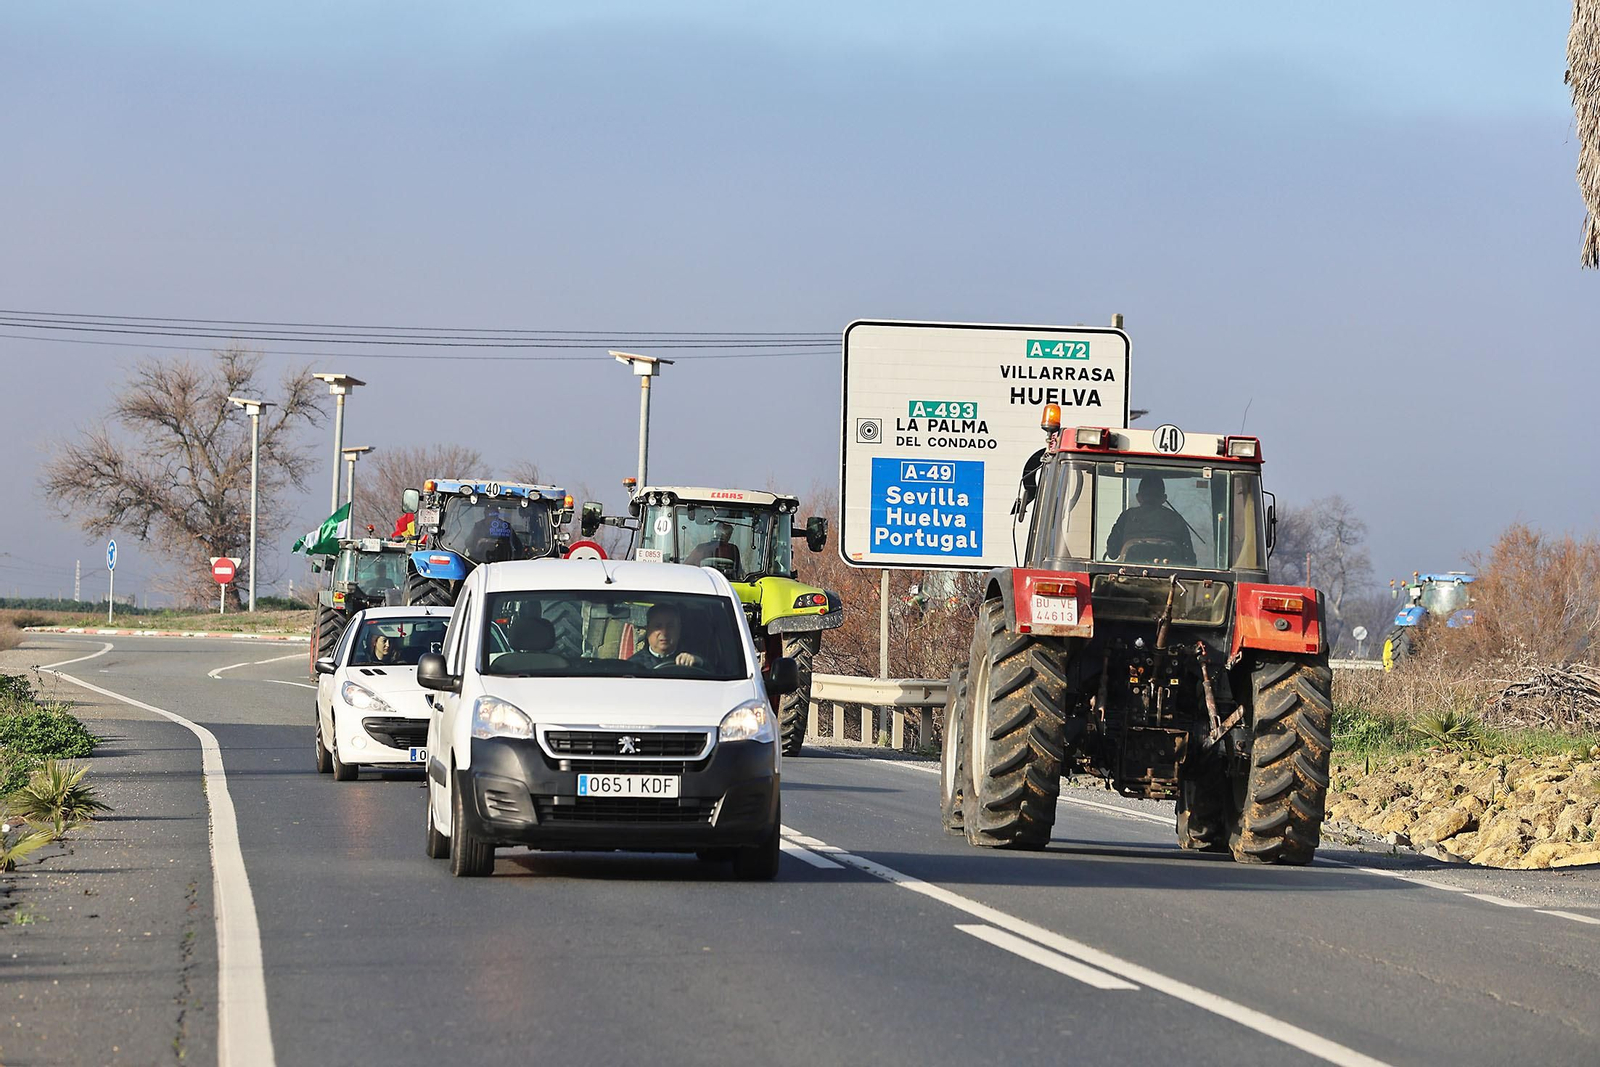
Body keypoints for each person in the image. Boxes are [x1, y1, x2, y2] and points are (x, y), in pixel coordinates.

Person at [1104, 476, 1196, 564]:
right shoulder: (1176, 519)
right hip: (1170, 578)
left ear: (1138, 497)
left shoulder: (1127, 516)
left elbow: (1112, 553)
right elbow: (1190, 560)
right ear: (1164, 498)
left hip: (1126, 577)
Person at [627, 604, 703, 668]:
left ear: (679, 629)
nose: (664, 632)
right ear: (648, 630)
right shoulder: (633, 666)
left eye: (670, 626)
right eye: (658, 626)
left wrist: (699, 662)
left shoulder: (691, 662)